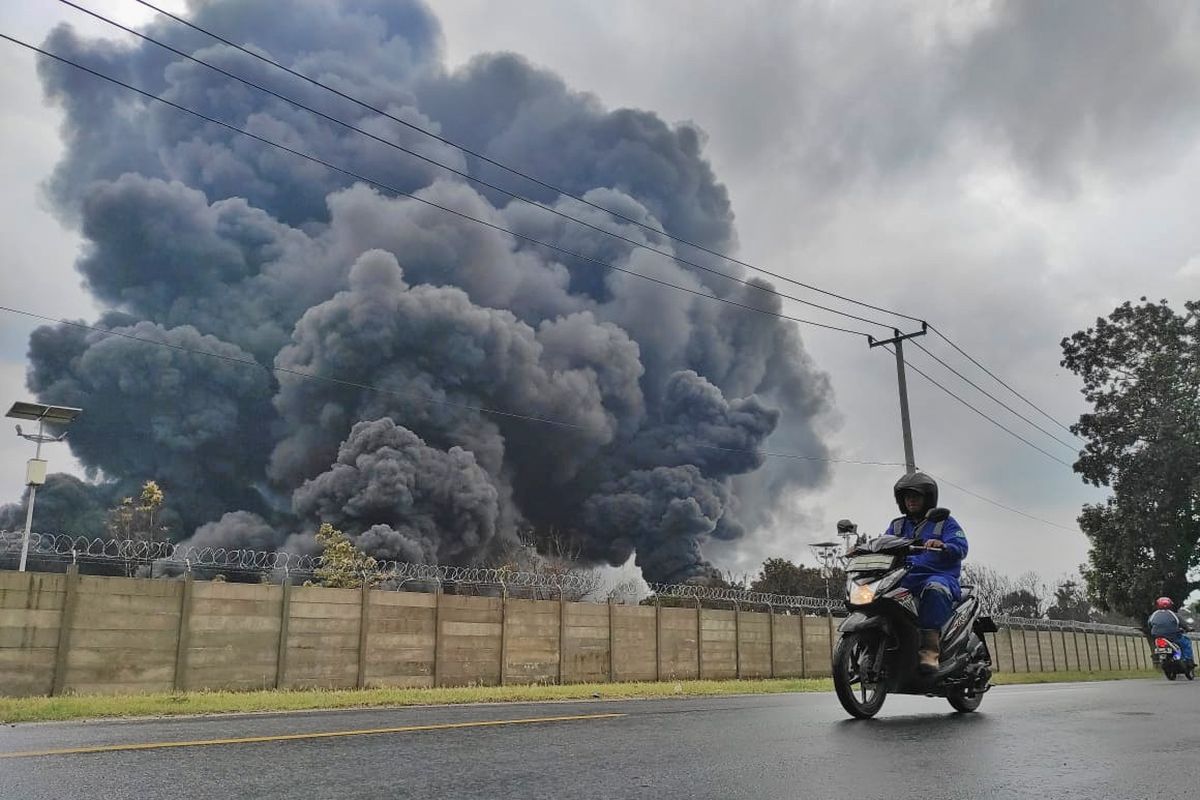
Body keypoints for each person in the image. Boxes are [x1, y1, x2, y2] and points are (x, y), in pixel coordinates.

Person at [884, 471, 969, 673]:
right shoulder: (897, 526)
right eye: (907, 496)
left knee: (935, 589)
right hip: (906, 576)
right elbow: (883, 544)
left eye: (916, 496)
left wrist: (944, 545)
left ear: (928, 498)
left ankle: (930, 652)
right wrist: (860, 549)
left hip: (939, 575)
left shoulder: (944, 522)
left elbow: (961, 546)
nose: (911, 500)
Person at [1147, 597, 1195, 668]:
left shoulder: (1153, 615)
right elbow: (1183, 624)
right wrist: (1188, 628)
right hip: (1173, 636)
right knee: (1186, 642)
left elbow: (1149, 625)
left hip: (1157, 637)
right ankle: (1188, 660)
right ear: (1170, 605)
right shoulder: (1174, 615)